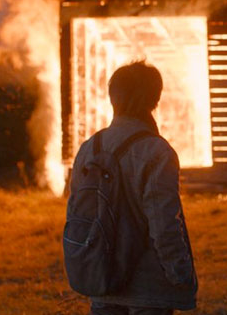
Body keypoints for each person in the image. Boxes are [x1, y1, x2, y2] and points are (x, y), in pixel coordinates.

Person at [71, 61, 197, 314]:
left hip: (102, 279)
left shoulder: (89, 148)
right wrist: (180, 274)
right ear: (154, 100)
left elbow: (79, 216)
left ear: (113, 97)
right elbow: (164, 224)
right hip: (148, 290)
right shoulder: (157, 151)